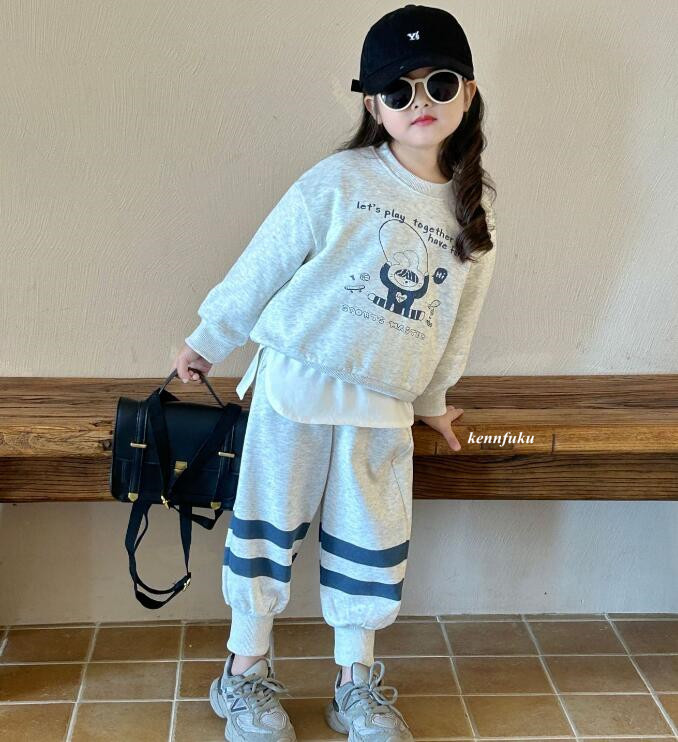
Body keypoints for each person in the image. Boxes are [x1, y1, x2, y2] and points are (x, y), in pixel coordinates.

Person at [171, 5, 497, 740]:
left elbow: (456, 328)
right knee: (266, 532)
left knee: (369, 543)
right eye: (399, 89)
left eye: (440, 84)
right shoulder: (338, 180)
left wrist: (434, 402)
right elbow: (263, 264)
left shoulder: (472, 215)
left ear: (468, 94)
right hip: (294, 388)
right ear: (372, 104)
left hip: (382, 407)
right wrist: (207, 339)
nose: (420, 102)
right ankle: (243, 674)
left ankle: (356, 684)